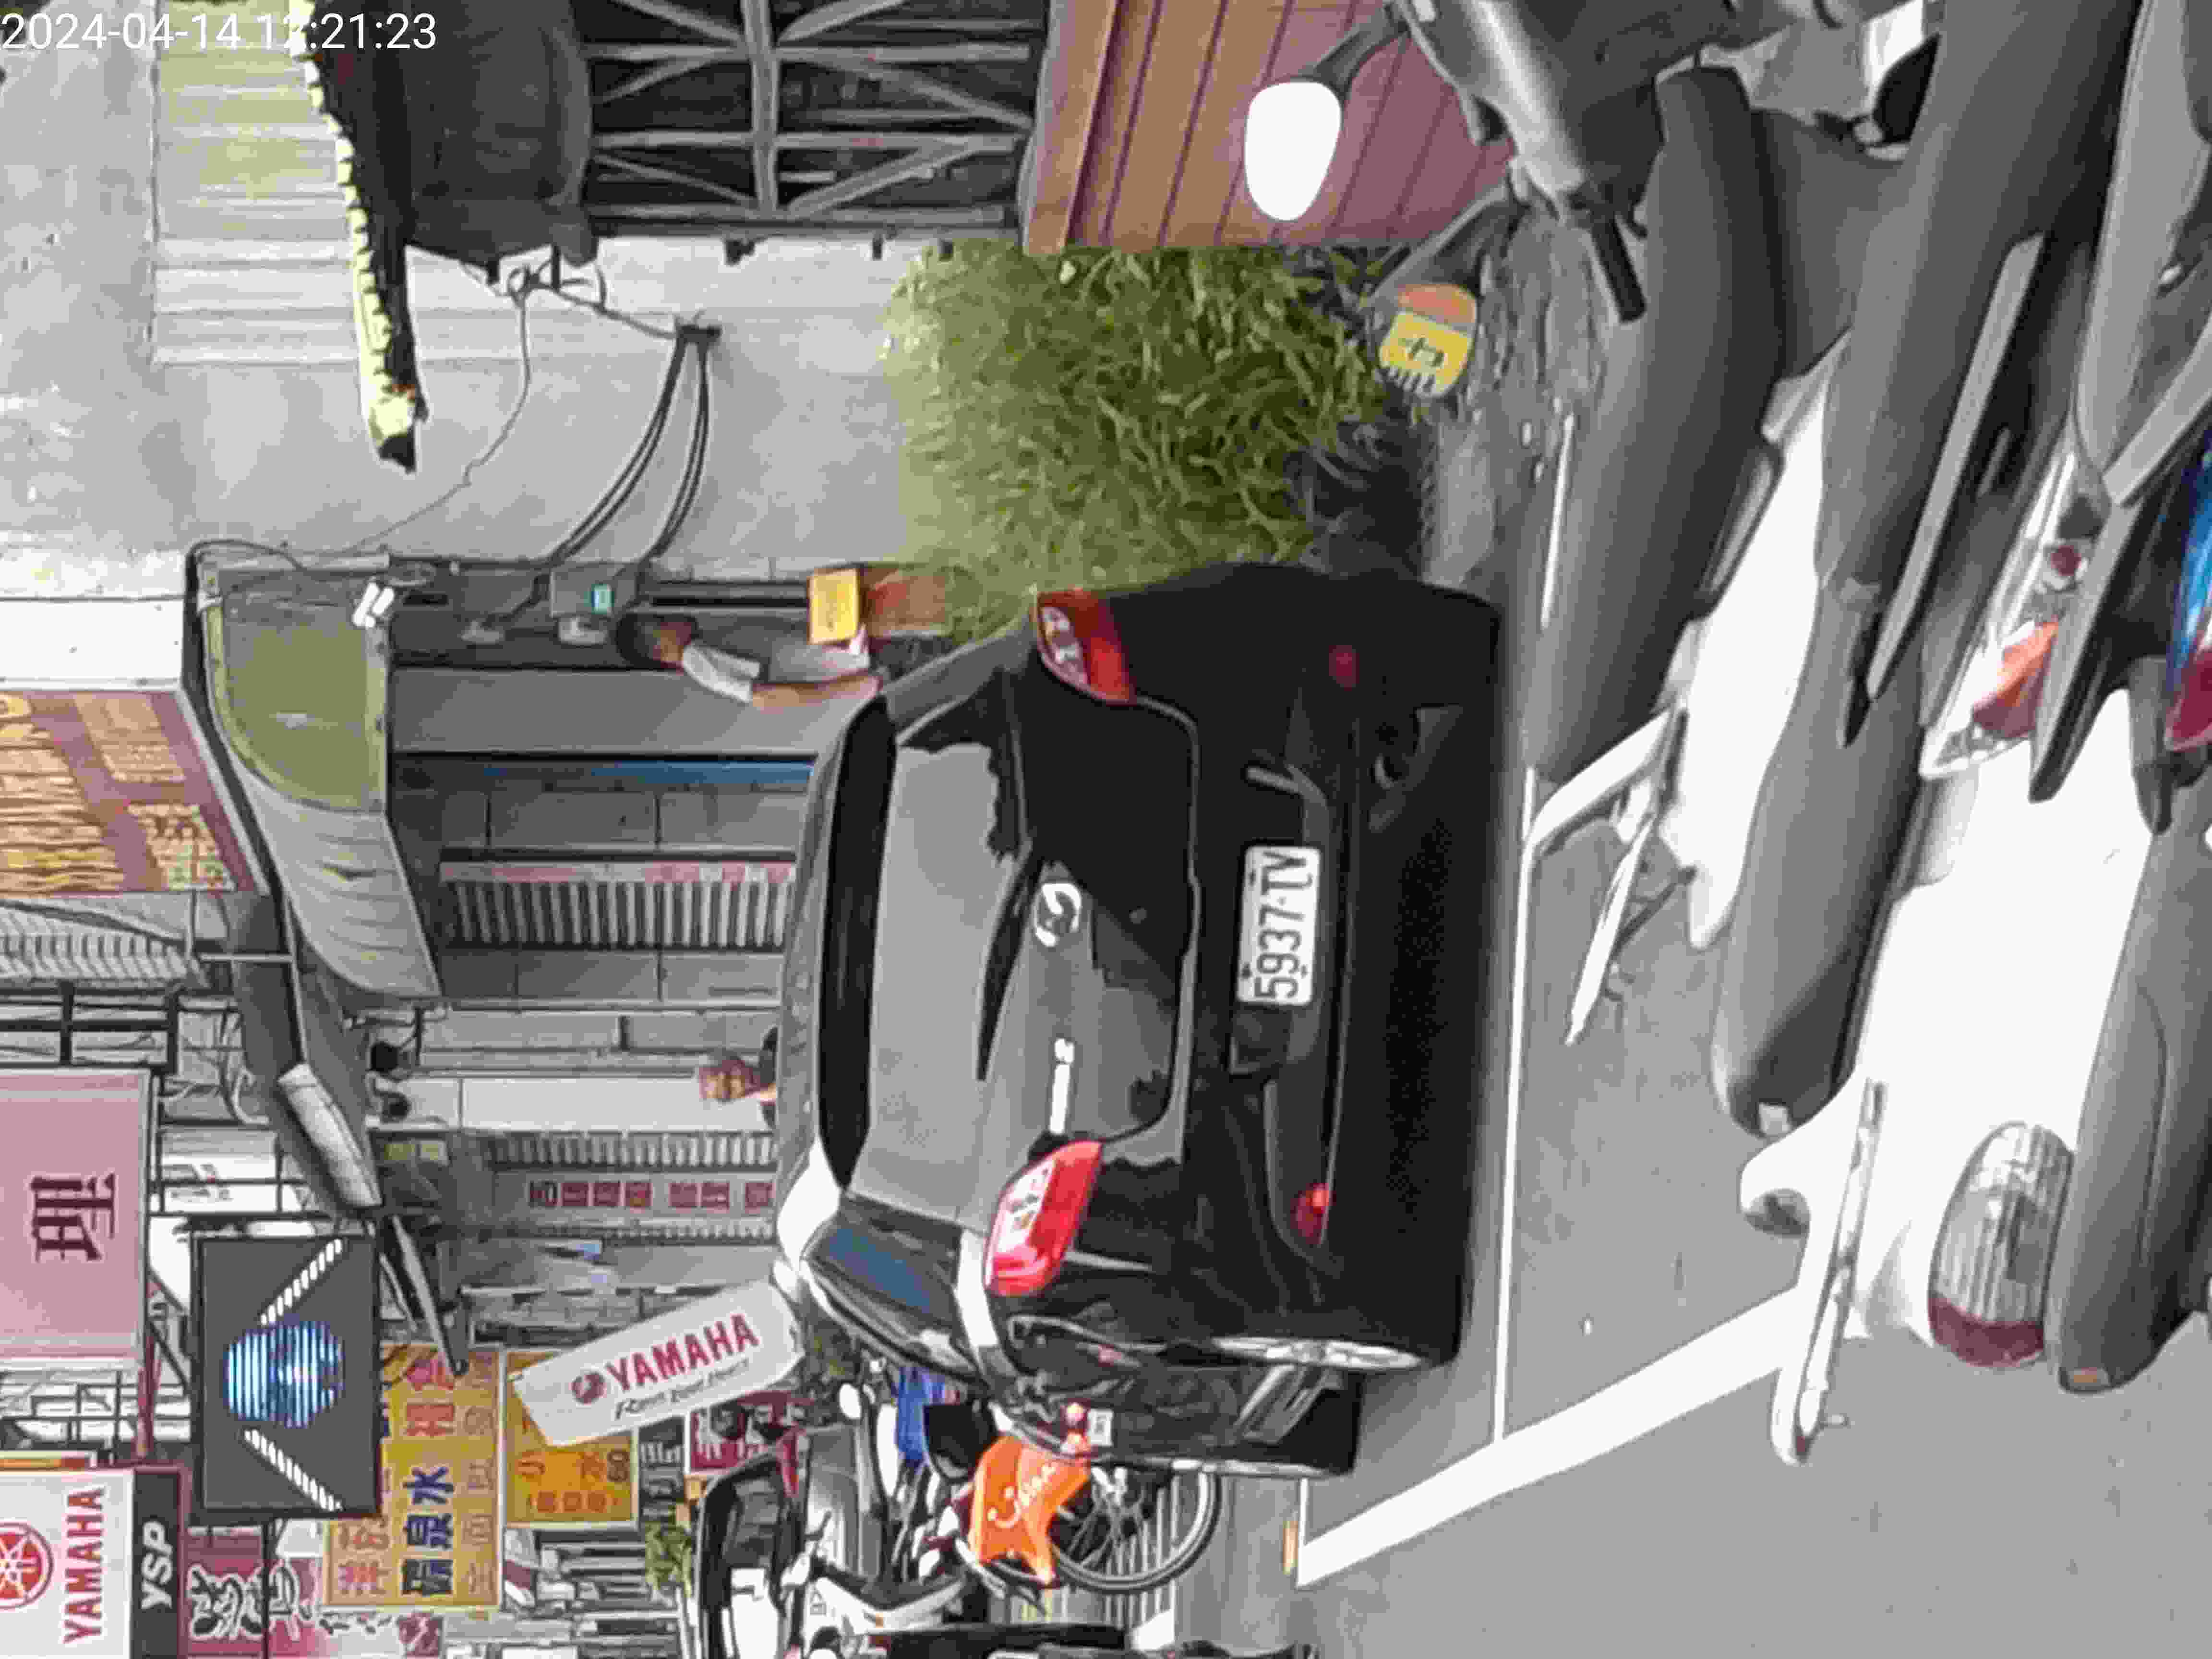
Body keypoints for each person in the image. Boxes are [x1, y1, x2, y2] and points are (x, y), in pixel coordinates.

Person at [614, 613, 882, 710]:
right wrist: (854, 687)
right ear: (659, 650)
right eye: (662, 620)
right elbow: (764, 697)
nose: (675, 616)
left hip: (853, 652)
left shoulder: (704, 644)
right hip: (858, 660)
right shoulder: (697, 660)